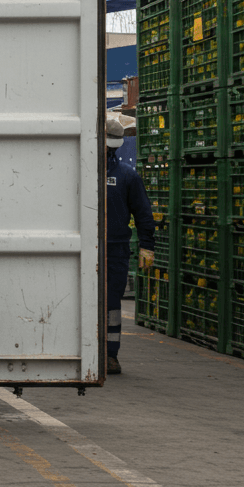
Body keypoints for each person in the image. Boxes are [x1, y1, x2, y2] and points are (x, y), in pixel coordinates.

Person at [105, 114, 156, 375]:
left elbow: (143, 213)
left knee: (112, 303)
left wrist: (147, 245)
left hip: (115, 250)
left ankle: (110, 354)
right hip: (86, 250)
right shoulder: (82, 172)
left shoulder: (127, 175)